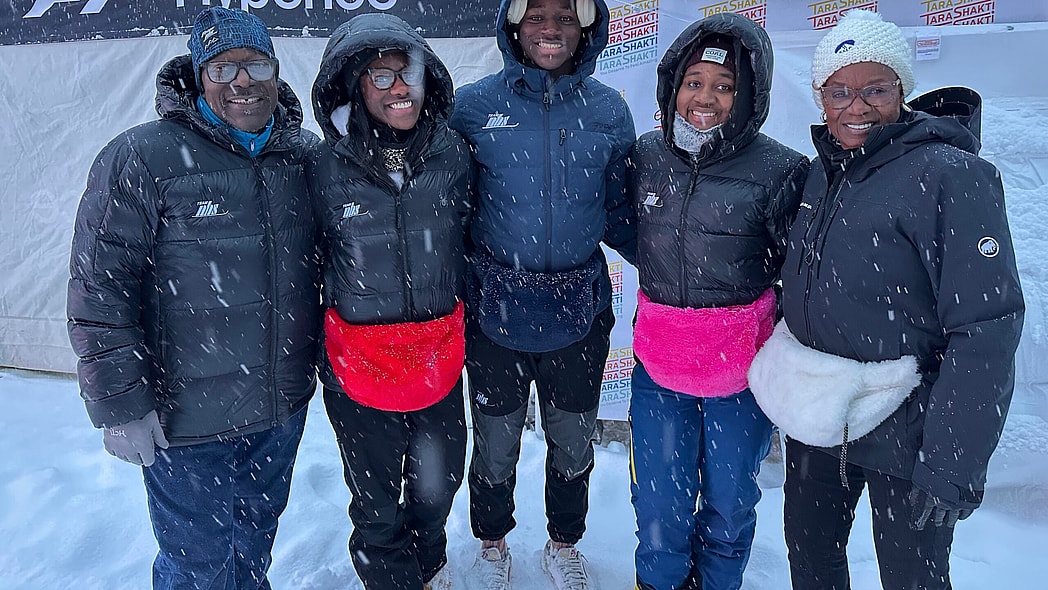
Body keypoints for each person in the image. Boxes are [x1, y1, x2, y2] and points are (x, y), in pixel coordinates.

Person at [747, 9, 1025, 590]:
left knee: (911, 580)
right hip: (823, 418)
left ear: (902, 89)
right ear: (821, 99)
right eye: (839, 92)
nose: (857, 106)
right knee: (811, 563)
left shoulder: (952, 175)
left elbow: (987, 324)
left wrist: (952, 461)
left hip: (910, 431)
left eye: (875, 88)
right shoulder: (822, 173)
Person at [66, 6, 320, 589]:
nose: (242, 81)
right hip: (185, 419)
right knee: (197, 564)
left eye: (256, 64)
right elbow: (100, 287)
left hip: (278, 407)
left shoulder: (302, 156)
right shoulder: (142, 157)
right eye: (222, 68)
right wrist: (120, 404)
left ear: (276, 70)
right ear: (198, 76)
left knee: (253, 547)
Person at [448, 0, 636, 587]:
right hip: (496, 307)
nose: (550, 29)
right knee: (496, 438)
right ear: (512, 25)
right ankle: (492, 543)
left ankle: (563, 543)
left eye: (564, 17)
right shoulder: (472, 106)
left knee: (573, 439)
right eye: (535, 16)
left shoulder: (608, 109)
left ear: (586, 27)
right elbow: (449, 205)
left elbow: (621, 209)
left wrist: (680, 270)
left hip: (579, 307)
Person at [626, 13, 809, 590]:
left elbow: (795, 268)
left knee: (730, 502)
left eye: (724, 86)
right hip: (660, 364)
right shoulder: (645, 155)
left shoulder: (782, 169)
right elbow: (629, 232)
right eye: (694, 82)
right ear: (672, 86)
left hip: (741, 369)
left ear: (749, 94)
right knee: (659, 500)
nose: (705, 98)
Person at [306, 12, 472, 590]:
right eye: (381, 76)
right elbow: (306, 259)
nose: (400, 88)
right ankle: (391, 578)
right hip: (358, 362)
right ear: (354, 86)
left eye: (409, 73)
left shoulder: (453, 154)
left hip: (435, 355)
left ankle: (427, 565)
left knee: (439, 483)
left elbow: (470, 237)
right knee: (375, 499)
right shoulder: (321, 166)